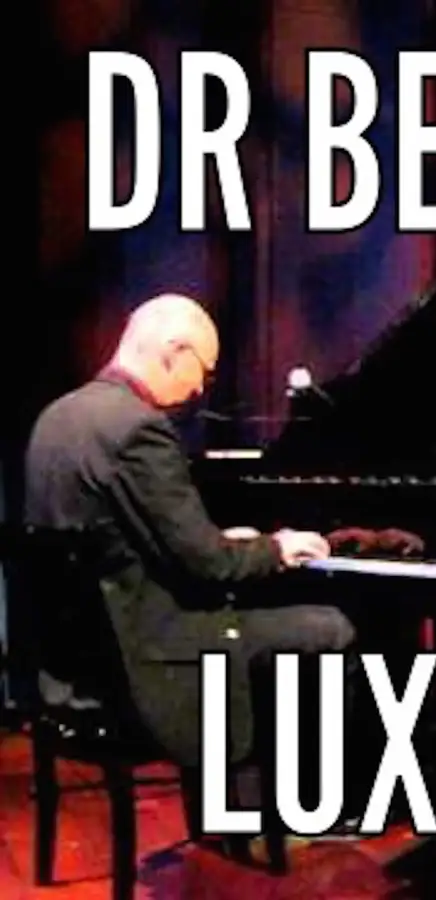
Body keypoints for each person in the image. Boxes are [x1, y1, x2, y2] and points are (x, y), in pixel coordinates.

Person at [23, 294, 371, 797]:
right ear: (173, 351)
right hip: (147, 658)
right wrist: (277, 548)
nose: (200, 388)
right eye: (203, 370)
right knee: (332, 628)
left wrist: (220, 541)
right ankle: (312, 802)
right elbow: (210, 566)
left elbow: (122, 540)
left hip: (76, 670)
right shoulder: (139, 428)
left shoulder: (59, 417)